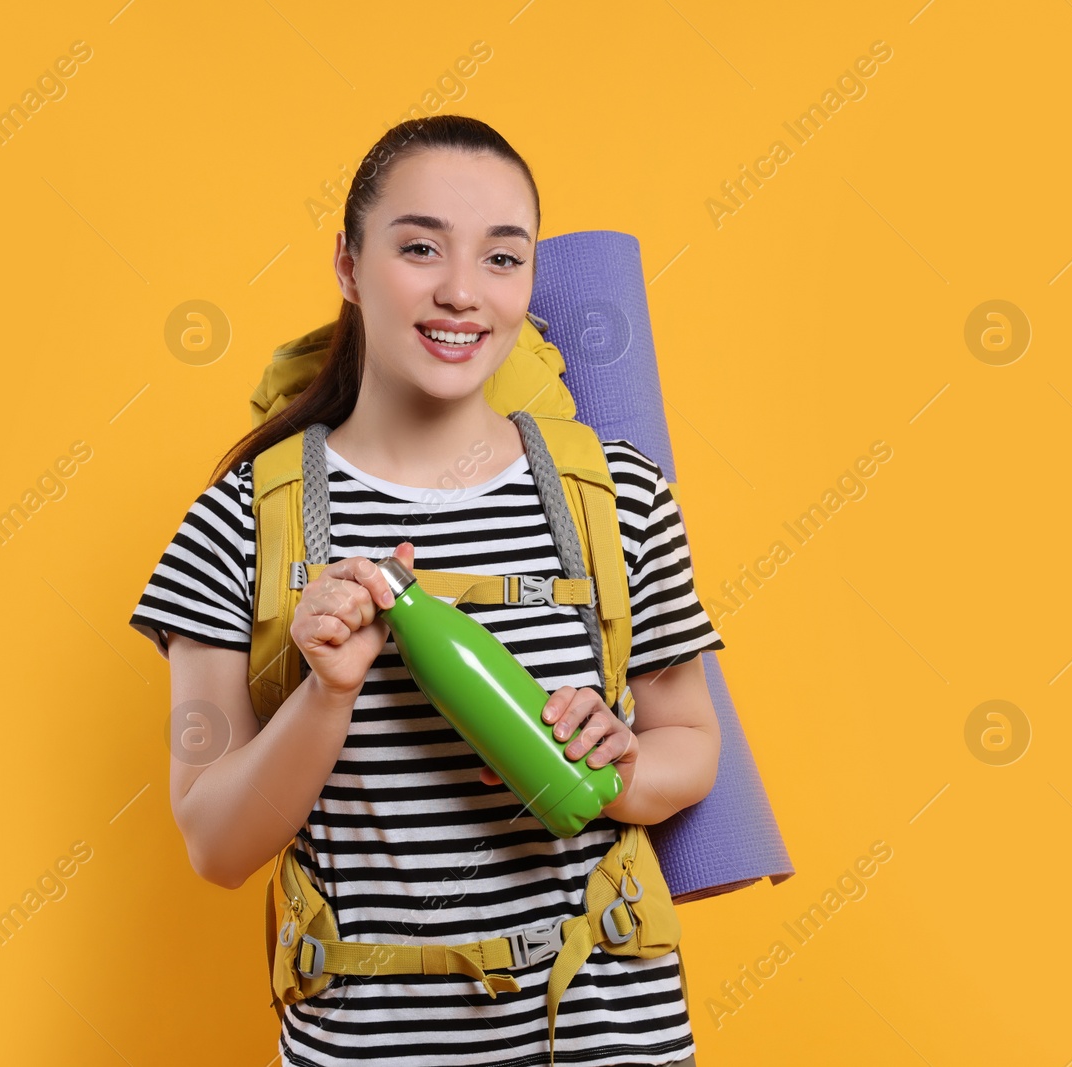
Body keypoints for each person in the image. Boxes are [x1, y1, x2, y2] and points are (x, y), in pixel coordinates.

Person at [131, 114, 724, 1067]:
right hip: (374, 1047)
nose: (461, 292)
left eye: (502, 258)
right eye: (419, 247)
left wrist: (618, 768)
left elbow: (690, 742)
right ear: (349, 265)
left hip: (608, 1033)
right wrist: (325, 691)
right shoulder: (242, 524)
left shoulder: (615, 499)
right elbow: (217, 845)